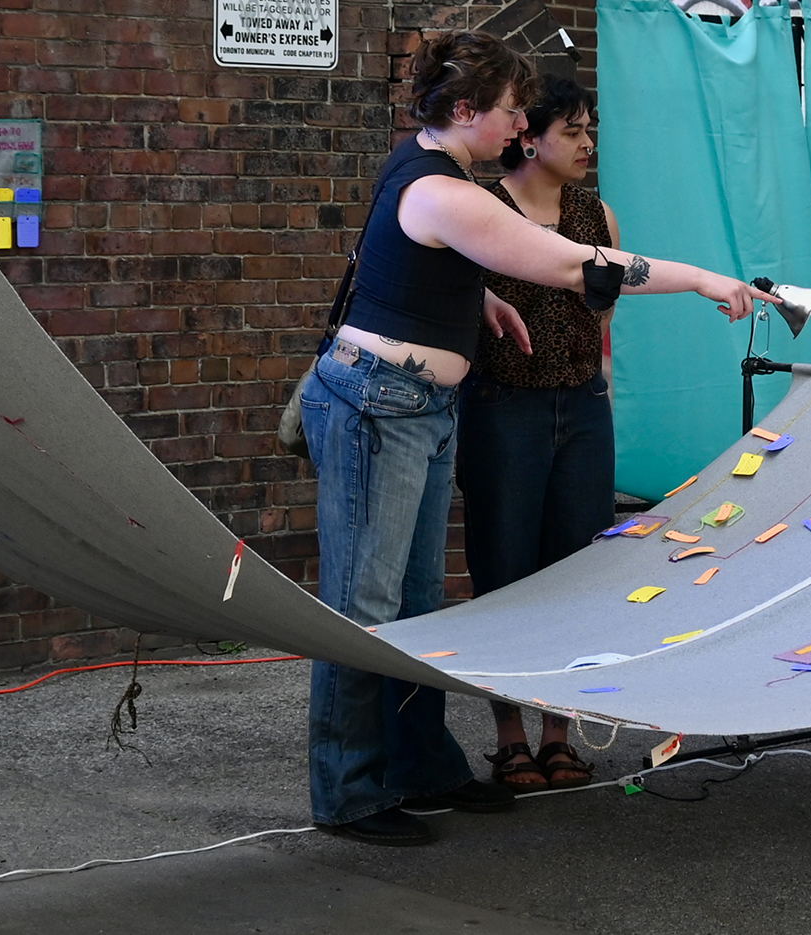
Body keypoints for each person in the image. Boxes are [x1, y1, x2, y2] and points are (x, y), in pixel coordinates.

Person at [299, 32, 776, 847]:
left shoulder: (437, 172)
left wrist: (477, 302)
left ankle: (419, 765)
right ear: (463, 112)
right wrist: (701, 278)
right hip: (378, 407)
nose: (521, 129)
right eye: (512, 114)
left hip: (415, 407)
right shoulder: (448, 191)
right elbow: (569, 267)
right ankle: (348, 791)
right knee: (364, 606)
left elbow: (412, 267)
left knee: (414, 605)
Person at [457, 75, 616, 792]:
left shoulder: (597, 215)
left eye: (591, 131)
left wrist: (595, 388)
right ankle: (510, 737)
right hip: (504, 406)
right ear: (529, 136)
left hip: (582, 406)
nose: (587, 144)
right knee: (505, 568)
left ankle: (559, 733)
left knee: (578, 569)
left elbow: (606, 319)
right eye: (573, 131)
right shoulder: (483, 210)